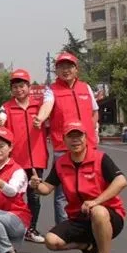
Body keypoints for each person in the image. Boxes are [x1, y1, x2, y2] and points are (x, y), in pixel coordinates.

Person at [30, 120, 127, 253]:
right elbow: (46, 189)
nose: (75, 140)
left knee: (98, 212)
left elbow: (121, 181)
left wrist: (96, 201)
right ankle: (88, 247)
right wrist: (36, 185)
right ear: (64, 139)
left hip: (108, 217)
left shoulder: (100, 158)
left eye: (79, 136)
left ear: (85, 138)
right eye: (71, 136)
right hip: (79, 218)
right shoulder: (61, 163)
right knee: (51, 241)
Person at [33, 52, 99, 225]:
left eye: (69, 66)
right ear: (56, 71)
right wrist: (40, 118)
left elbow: (94, 112)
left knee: (91, 189)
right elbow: (47, 105)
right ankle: (64, 230)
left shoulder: (86, 88)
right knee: (63, 193)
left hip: (88, 147)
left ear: (76, 69)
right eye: (61, 67)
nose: (66, 70)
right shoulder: (51, 90)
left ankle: (90, 227)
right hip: (63, 148)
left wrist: (91, 132)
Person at [0, 69, 49, 243]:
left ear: (29, 87)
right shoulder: (6, 107)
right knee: (13, 195)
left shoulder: (40, 106)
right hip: (15, 160)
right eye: (15, 87)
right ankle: (13, 227)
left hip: (37, 158)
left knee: (34, 196)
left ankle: (31, 229)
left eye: (22, 86)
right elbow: (0, 121)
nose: (19, 90)